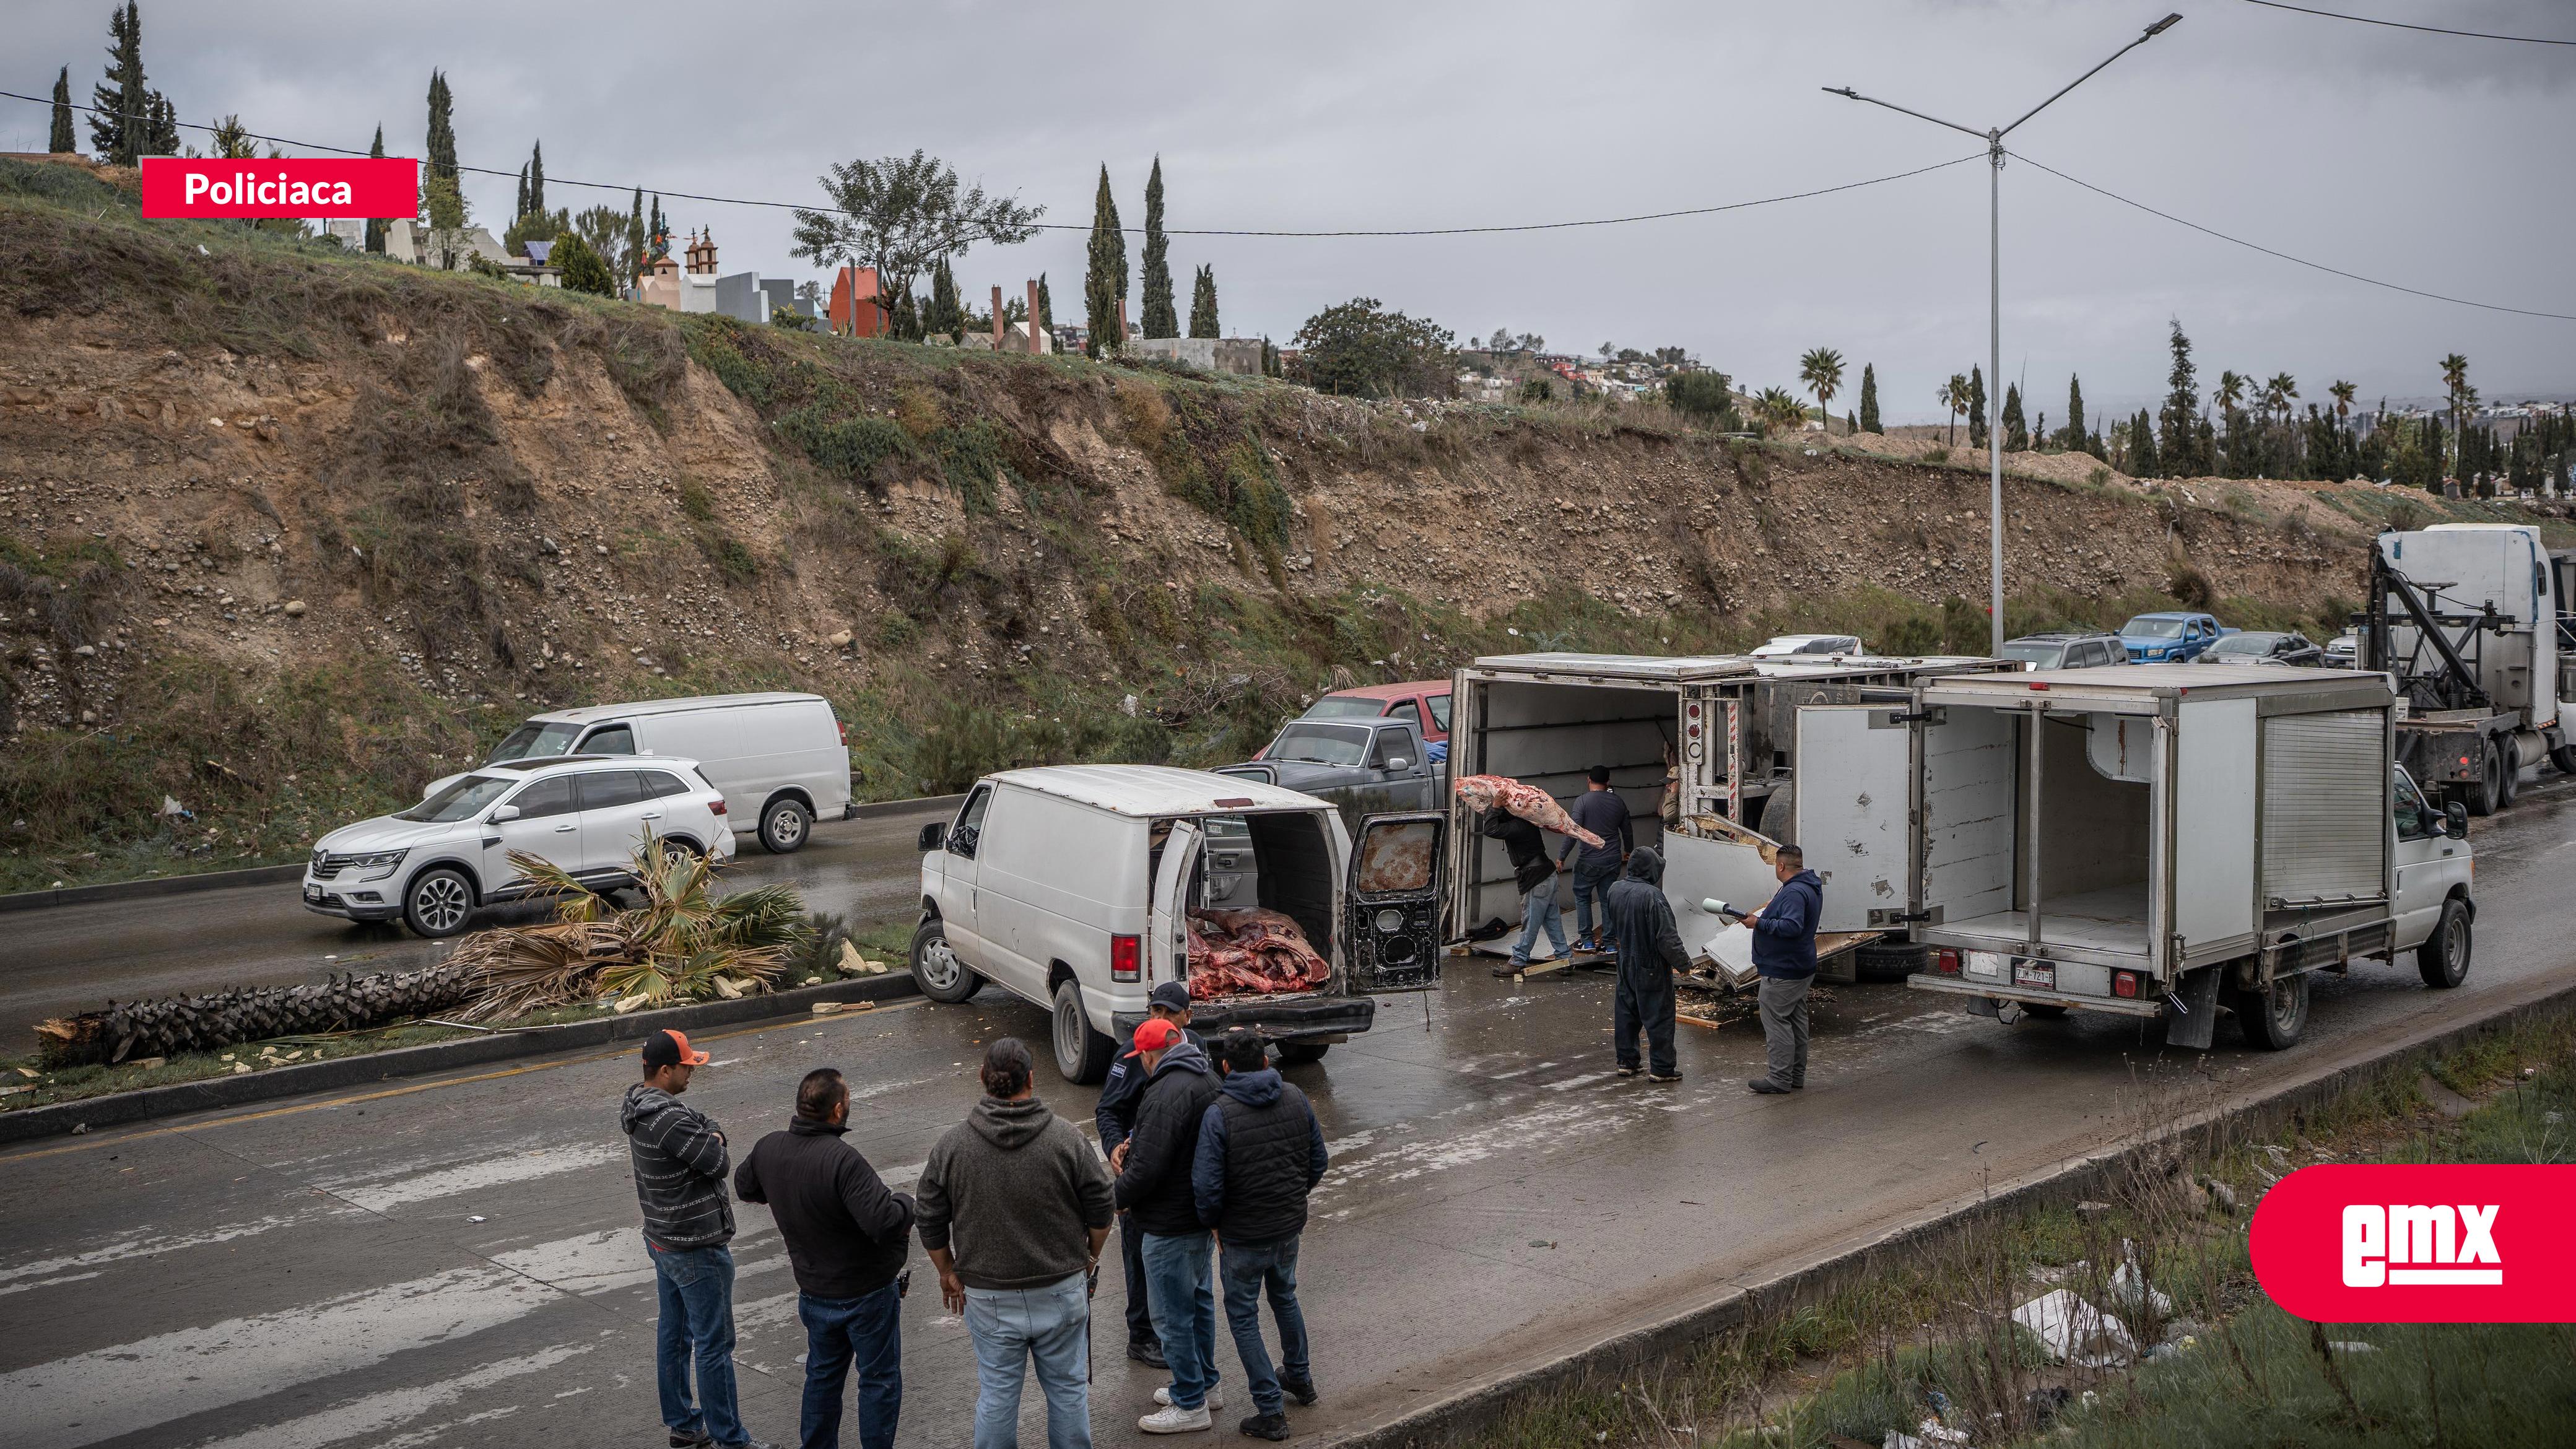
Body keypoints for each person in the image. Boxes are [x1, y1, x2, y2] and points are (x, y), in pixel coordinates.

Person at [916, 1038, 1115, 1449]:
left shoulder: (952, 1146)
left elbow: (929, 1215)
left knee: (998, 1395)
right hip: (1061, 1289)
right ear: (1030, 1078)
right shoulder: (1066, 1140)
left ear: (982, 1080)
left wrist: (947, 1272)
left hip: (989, 1295)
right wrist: (1090, 1256)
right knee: (1067, 1392)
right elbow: (1102, 1206)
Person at [733, 1068, 915, 1449]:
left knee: (822, 1377)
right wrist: (904, 1201)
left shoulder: (769, 1149)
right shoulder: (842, 1160)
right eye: (847, 1101)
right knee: (878, 1380)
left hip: (815, 1292)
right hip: (866, 1293)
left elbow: (745, 1186)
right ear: (836, 1112)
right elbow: (884, 1222)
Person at [622, 1029, 778, 1449]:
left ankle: (684, 1425)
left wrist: (710, 1130)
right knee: (714, 1346)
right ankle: (731, 1439)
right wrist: (715, 1137)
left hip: (662, 1238)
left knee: (674, 1336)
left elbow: (705, 1121)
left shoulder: (641, 1106)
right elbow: (718, 1161)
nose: (692, 1072)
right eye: (688, 1067)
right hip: (695, 1246)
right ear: (666, 1070)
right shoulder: (670, 1118)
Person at [1191, 1031, 1328, 1442]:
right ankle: (1300, 1379)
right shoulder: (1295, 1097)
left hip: (1243, 1236)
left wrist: (1213, 1223)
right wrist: (1291, 1197)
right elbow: (1317, 1161)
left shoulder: (1220, 1114)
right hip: (1287, 1227)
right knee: (1285, 1295)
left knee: (1244, 1316)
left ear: (1226, 1067)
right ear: (1266, 1062)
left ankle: (1269, 1409)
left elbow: (1206, 1187)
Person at [1112, 1018, 1224, 1433]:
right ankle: (1205, 1384)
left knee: (1171, 1317)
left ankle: (1190, 1402)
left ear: (1148, 1054)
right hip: (1197, 1218)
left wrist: (1118, 1197)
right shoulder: (1206, 1077)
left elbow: (1148, 1168)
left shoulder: (1163, 1092)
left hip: (1167, 1224)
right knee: (1198, 1305)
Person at [1096, 980, 1203, 1368]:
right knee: (1139, 1253)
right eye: (1154, 1011)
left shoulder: (1195, 1049)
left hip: (1178, 1171)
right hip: (1140, 1165)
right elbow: (1108, 1110)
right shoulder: (1133, 1051)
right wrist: (1114, 1150)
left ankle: (1175, 1328)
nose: (1158, 1019)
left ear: (1186, 1019)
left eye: (1168, 1013)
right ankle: (1141, 1335)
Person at [1738, 845, 1824, 1095]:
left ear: (1781, 866)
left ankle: (1779, 1078)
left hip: (1784, 970)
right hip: (1800, 965)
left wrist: (1759, 923)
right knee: (1796, 1020)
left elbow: (1792, 926)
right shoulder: (1807, 887)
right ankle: (1795, 1076)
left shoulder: (1795, 892)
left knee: (1776, 1022)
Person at [1604, 846, 1687, 1083]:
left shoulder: (1615, 889)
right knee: (1659, 1015)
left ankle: (1627, 1062)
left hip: (1625, 960)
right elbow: (1667, 938)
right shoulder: (1653, 896)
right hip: (1650, 963)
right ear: (1651, 870)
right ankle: (1662, 1068)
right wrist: (1683, 963)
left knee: (1626, 1012)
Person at [1559, 765, 1635, 952]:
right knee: (1608, 900)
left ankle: (1588, 941)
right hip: (1612, 860)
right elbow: (1627, 830)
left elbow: (1573, 832)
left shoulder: (1582, 802)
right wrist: (1629, 850)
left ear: (1588, 780)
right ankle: (1609, 944)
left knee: (1583, 898)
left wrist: (1562, 856)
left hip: (1589, 861)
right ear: (1608, 782)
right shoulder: (1618, 802)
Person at [1482, 804, 1567, 967]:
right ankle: (1564, 955)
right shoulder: (1523, 821)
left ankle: (1518, 959)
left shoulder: (1517, 825)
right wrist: (1495, 808)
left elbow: (1490, 829)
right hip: (1546, 874)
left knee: (1530, 922)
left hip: (1537, 878)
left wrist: (1495, 807)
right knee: (1552, 920)